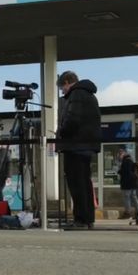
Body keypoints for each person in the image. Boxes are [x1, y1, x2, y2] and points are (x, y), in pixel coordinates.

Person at [56, 70, 101, 229]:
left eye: (63, 87)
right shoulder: (90, 95)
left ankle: (80, 219)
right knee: (85, 183)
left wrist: (61, 132)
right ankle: (88, 219)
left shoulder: (76, 95)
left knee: (76, 184)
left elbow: (72, 120)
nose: (63, 91)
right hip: (86, 146)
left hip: (75, 145)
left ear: (68, 82)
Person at [117, 147, 138, 219]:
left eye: (119, 154)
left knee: (126, 197)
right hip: (133, 183)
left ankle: (128, 213)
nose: (119, 156)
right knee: (133, 197)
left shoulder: (126, 161)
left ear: (123, 154)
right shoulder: (130, 160)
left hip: (127, 184)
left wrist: (119, 171)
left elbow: (126, 172)